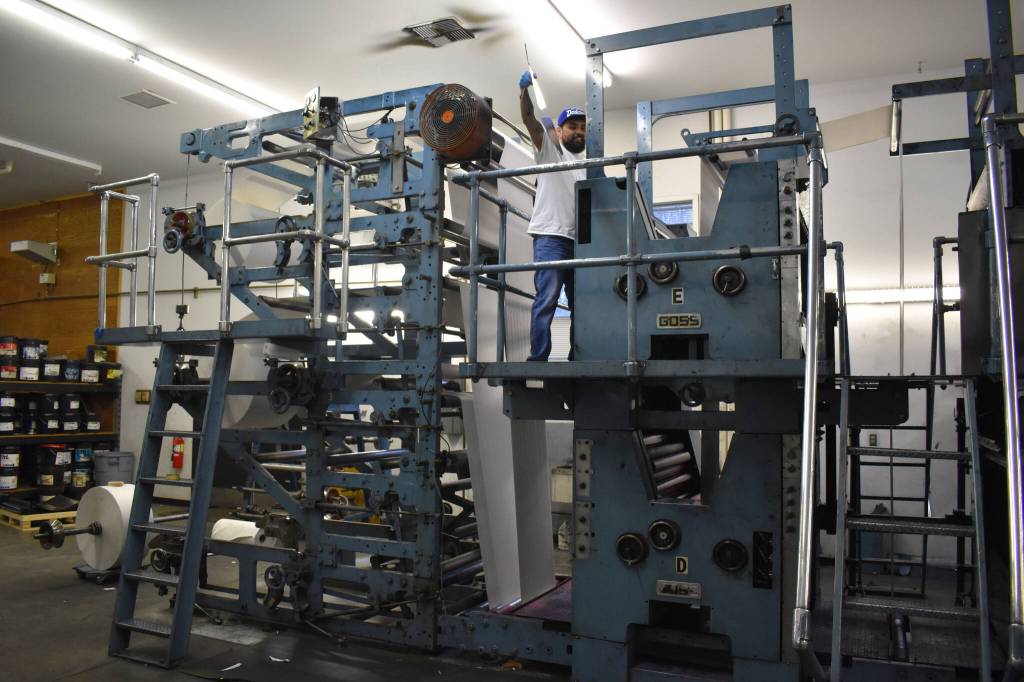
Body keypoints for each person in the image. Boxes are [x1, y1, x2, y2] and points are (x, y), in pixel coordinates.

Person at [518, 70, 586, 361]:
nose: (578, 131)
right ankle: (539, 359)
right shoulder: (550, 152)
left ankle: (577, 357)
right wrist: (524, 93)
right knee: (547, 299)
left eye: (583, 127)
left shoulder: (588, 165)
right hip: (550, 237)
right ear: (559, 132)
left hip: (579, 242)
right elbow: (531, 122)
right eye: (572, 126)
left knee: (581, 304)